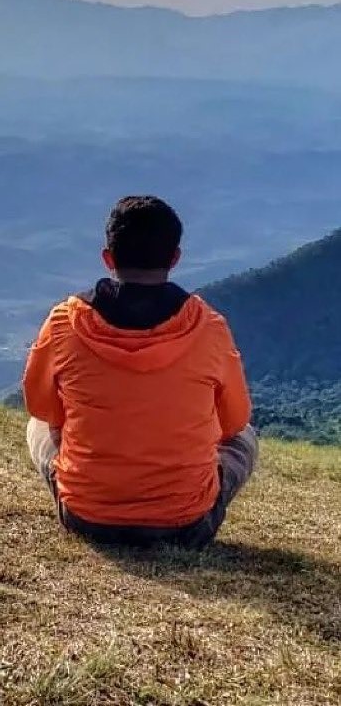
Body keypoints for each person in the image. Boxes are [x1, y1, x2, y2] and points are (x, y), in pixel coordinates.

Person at [23, 196, 257, 548]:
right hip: (186, 525)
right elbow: (234, 421)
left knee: (37, 425)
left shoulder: (63, 323)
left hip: (87, 518)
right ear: (175, 257)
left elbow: (43, 408)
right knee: (246, 436)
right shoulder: (208, 327)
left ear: (108, 257)